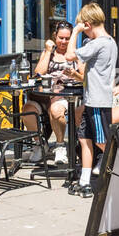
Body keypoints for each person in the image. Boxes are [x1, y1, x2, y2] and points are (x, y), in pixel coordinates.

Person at [69, 3, 117, 196]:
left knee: (103, 142)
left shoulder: (99, 43)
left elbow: (69, 54)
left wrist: (75, 31)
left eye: (83, 27)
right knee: (85, 139)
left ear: (87, 25)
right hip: (92, 99)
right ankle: (85, 181)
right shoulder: (109, 42)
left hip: (98, 101)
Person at [23, 21, 79, 164]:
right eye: (61, 38)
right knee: (27, 111)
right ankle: (40, 144)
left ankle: (60, 146)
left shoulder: (76, 54)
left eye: (67, 38)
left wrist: (74, 75)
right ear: (55, 36)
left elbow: (84, 77)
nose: (64, 42)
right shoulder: (49, 53)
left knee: (56, 111)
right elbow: (38, 73)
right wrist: (48, 51)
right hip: (43, 95)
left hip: (64, 94)